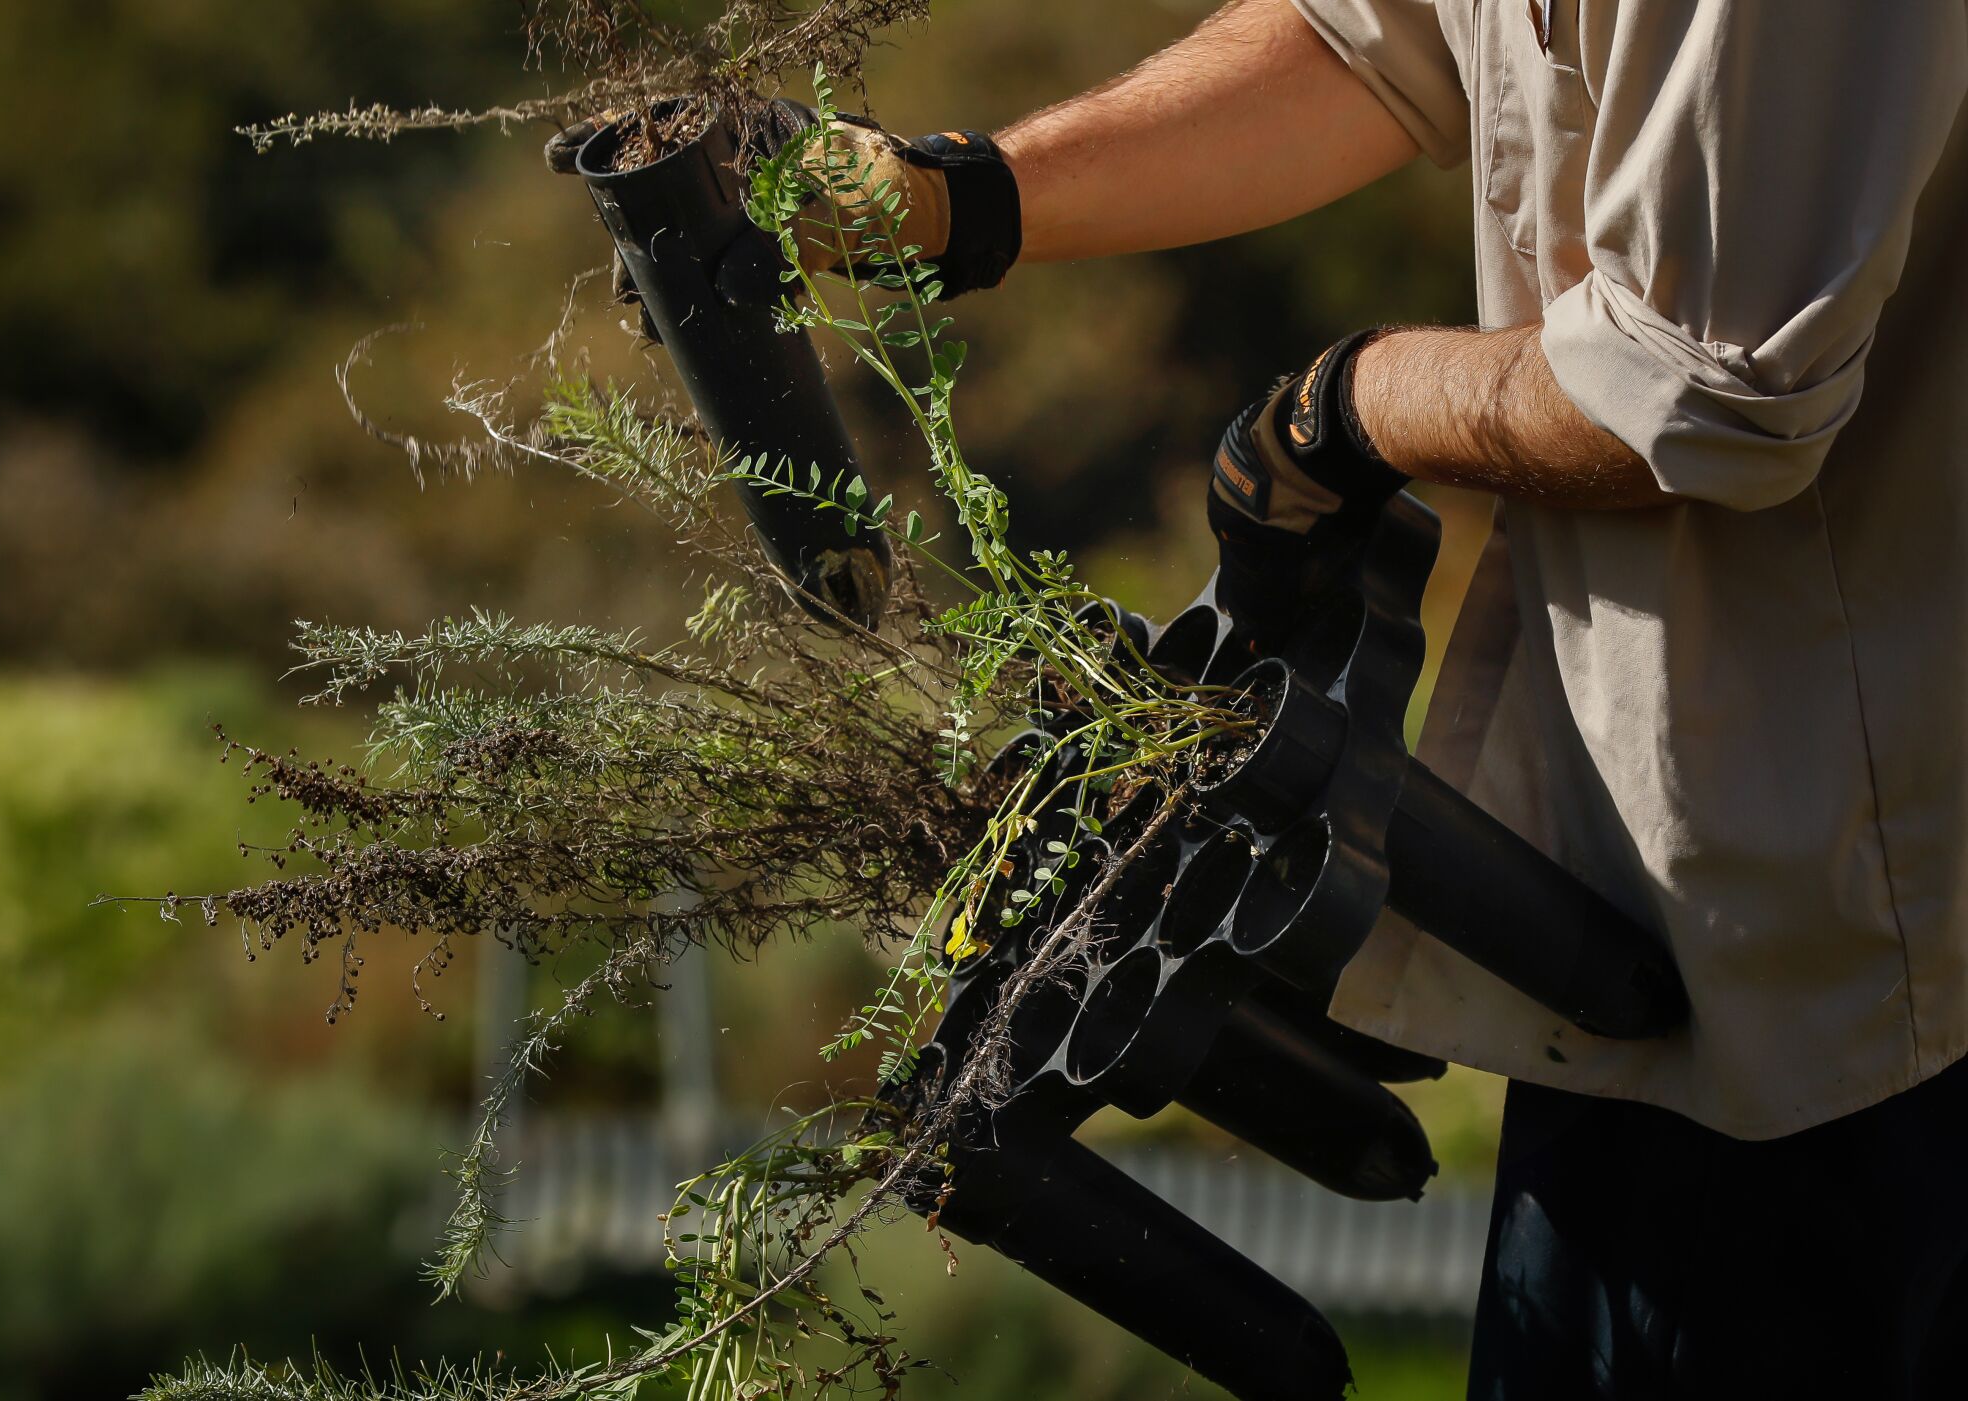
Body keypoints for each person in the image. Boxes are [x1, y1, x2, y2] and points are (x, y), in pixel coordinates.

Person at [574, 1, 1968, 1393]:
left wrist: (1349, 411)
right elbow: (1378, 39)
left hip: (1867, 960)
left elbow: (1708, 387)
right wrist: (944, 201)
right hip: (1696, 935)